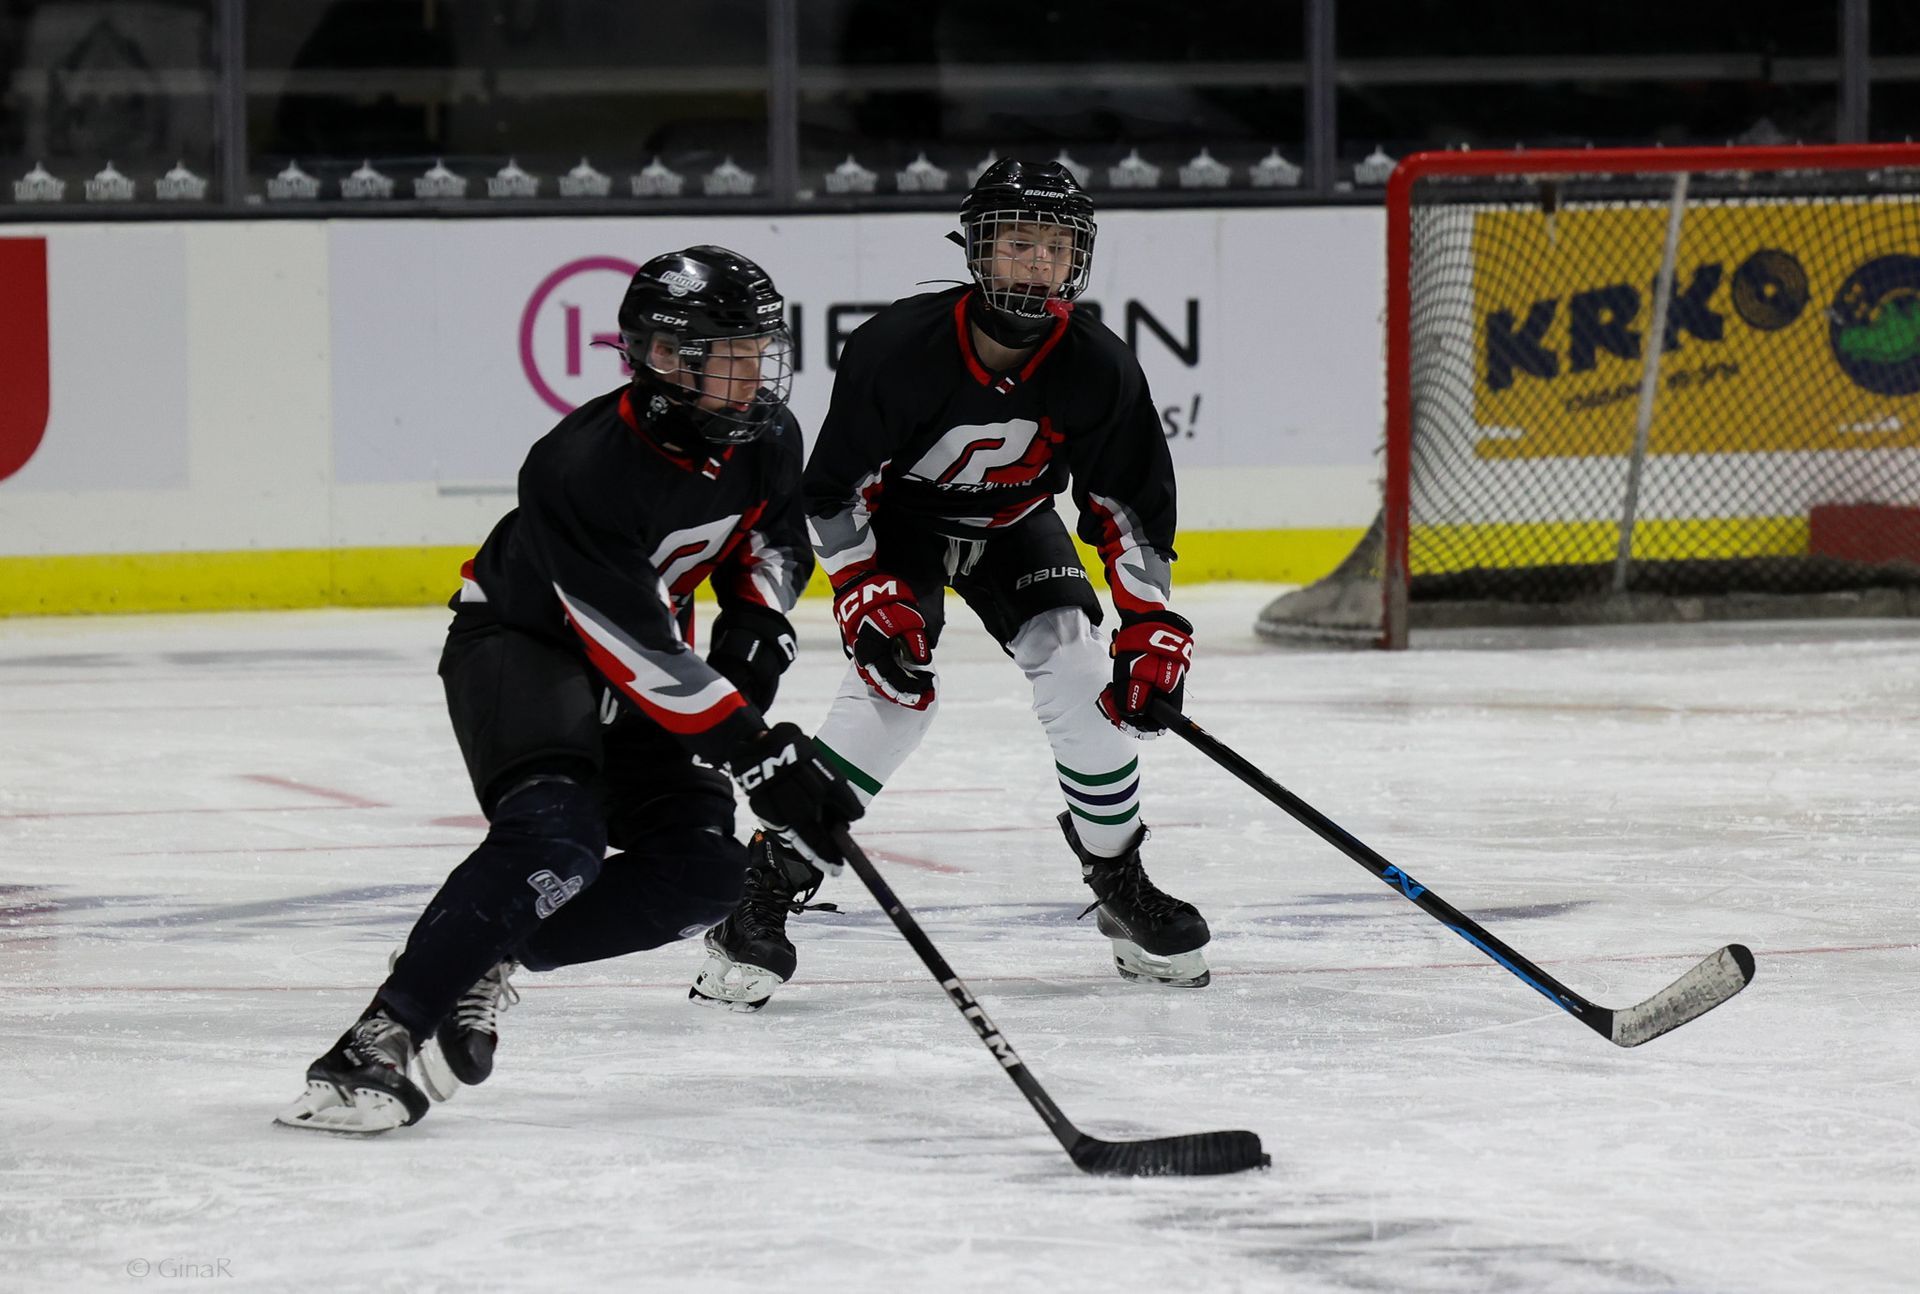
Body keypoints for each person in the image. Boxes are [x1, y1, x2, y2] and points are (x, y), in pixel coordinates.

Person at [276, 246, 863, 1134]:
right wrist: (747, 742)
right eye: (727, 353)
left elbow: (770, 545)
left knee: (705, 869)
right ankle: (372, 1045)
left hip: (648, 670)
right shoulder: (579, 466)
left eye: (757, 350)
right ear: (664, 358)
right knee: (557, 836)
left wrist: (756, 632)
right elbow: (623, 637)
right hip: (522, 646)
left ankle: (481, 950)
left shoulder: (767, 437)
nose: (751, 375)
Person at [689, 159, 1206, 1013]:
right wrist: (861, 585)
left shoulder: (1100, 367)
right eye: (1016, 243)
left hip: (1013, 527)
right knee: (893, 694)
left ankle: (1120, 880)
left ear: (1076, 258)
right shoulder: (899, 347)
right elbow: (835, 488)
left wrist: (1147, 619)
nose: (1035, 263)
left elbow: (1126, 505)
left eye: (1053, 246)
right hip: (905, 529)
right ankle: (766, 893)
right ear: (978, 250)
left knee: (1084, 675)